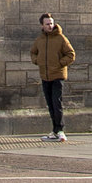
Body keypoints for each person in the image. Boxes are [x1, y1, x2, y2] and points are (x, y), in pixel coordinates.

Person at [29, 11, 76, 141]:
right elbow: (33, 52)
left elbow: (71, 54)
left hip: (58, 75)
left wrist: (59, 64)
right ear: (42, 26)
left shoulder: (61, 38)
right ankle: (55, 130)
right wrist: (37, 61)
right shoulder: (40, 40)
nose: (50, 26)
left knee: (57, 102)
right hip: (45, 76)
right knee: (50, 104)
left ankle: (60, 130)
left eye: (51, 23)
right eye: (47, 24)